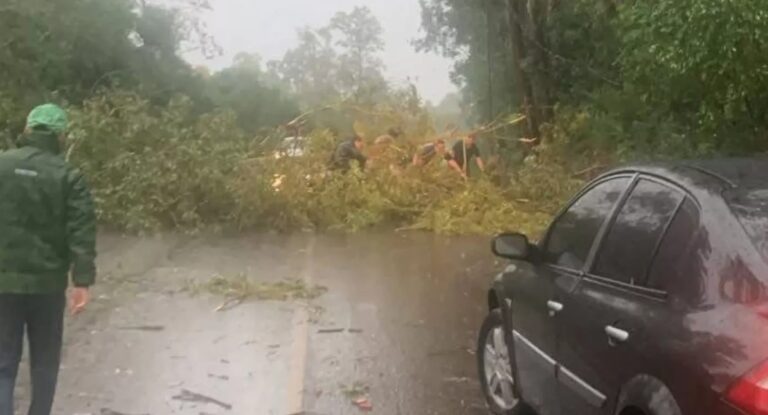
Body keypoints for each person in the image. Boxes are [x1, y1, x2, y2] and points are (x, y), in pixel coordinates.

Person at [0, 104, 96, 415]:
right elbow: (81, 232)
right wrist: (82, 281)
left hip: (3, 283)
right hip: (48, 286)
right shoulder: (69, 176)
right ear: (61, 136)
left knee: (3, 364)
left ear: (28, 130)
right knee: (44, 363)